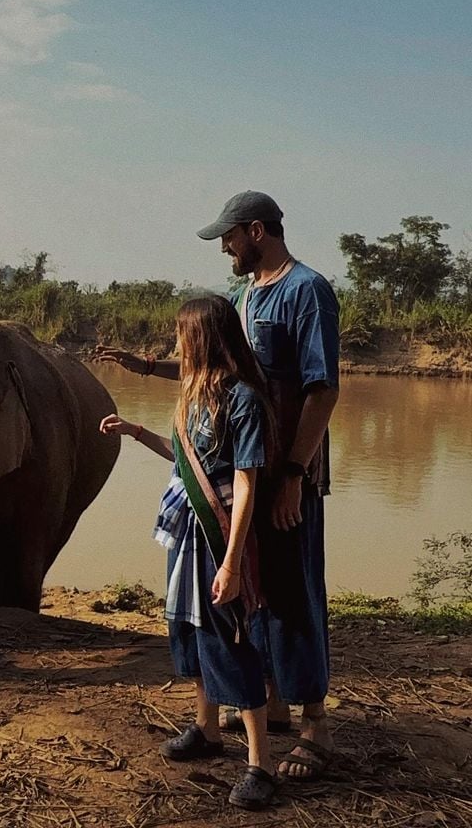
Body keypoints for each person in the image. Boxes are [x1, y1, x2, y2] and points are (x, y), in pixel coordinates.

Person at [97, 191, 340, 781]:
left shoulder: (307, 291)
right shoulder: (241, 294)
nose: (225, 249)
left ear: (257, 231)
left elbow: (322, 388)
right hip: (235, 471)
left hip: (283, 472)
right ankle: (269, 701)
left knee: (293, 589)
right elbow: (217, 361)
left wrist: (292, 475)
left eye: (229, 238)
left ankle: (313, 724)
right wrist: (150, 367)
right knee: (247, 585)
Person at [100, 294, 277, 811]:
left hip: (221, 537)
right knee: (188, 630)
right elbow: (182, 459)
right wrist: (135, 432)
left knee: (228, 638)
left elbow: (245, 485)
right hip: (186, 535)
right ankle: (207, 731)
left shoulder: (243, 398)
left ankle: (260, 762)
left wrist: (232, 561)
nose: (175, 344)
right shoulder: (195, 394)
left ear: (202, 339)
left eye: (181, 335)